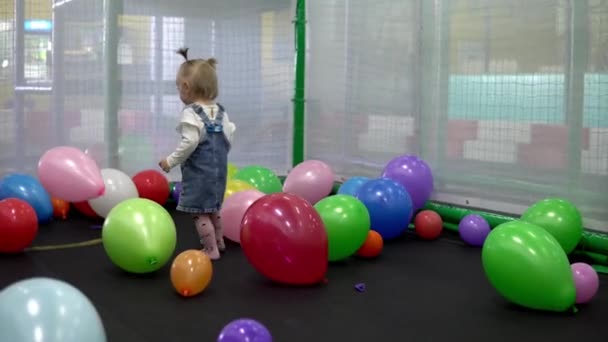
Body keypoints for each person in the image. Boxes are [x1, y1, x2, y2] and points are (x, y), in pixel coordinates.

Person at [159, 47, 236, 260]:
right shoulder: (220, 111)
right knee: (213, 209)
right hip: (219, 172)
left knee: (199, 213)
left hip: (199, 174)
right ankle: (219, 242)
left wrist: (170, 161)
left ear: (186, 87)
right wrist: (219, 156)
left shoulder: (190, 113)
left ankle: (210, 249)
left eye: (178, 88)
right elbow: (230, 134)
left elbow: (190, 142)